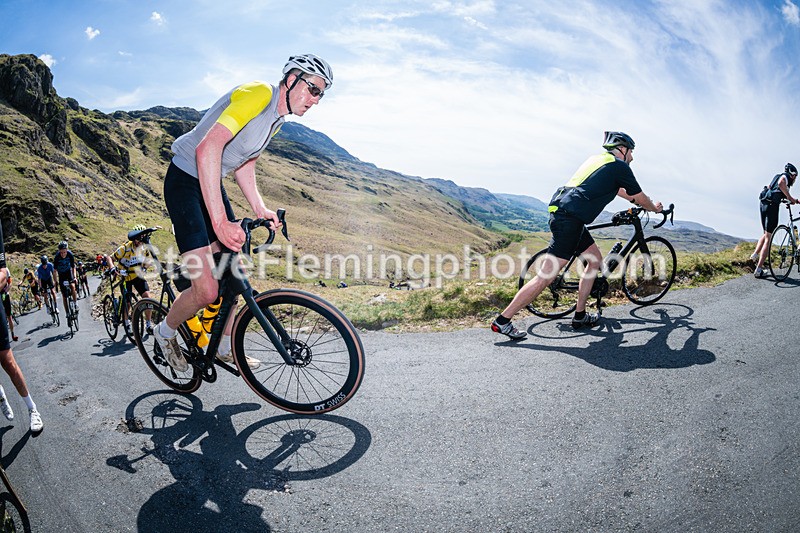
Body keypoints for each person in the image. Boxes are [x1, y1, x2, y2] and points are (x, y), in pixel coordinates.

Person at [154, 54, 334, 372]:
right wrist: (221, 222)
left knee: (236, 275)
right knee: (207, 290)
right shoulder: (259, 93)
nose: (315, 100)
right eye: (313, 89)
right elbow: (207, 148)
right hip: (184, 180)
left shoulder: (276, 120)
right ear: (291, 79)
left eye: (321, 94)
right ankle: (164, 332)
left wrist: (259, 207)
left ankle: (225, 347)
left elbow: (244, 162)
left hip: (209, 181)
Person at [491, 131, 663, 339]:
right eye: (632, 152)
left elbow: (622, 192)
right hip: (569, 221)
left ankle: (579, 315)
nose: (633, 157)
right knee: (544, 277)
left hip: (568, 216)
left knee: (594, 260)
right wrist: (654, 208)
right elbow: (638, 195)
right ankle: (503, 320)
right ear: (623, 150)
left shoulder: (599, 161)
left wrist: (639, 202)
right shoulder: (619, 166)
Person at [0, 221, 44, 433]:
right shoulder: (27, 276)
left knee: (8, 361)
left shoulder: (32, 275)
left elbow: (3, 272)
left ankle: (32, 409)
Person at [752, 163, 799, 278]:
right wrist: (790, 198)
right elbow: (781, 183)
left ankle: (754, 255)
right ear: (792, 175)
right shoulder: (785, 177)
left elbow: (773, 189)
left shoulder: (776, 176)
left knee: (765, 233)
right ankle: (758, 270)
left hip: (763, 204)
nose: (795, 179)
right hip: (772, 206)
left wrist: (788, 200)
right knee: (769, 237)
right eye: (795, 177)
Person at [105, 224, 154, 333]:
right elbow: (110, 258)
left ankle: (148, 324)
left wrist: (145, 268)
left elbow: (148, 260)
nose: (141, 241)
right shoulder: (125, 248)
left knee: (148, 298)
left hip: (137, 276)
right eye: (139, 238)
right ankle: (126, 322)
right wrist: (113, 268)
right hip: (125, 277)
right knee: (127, 302)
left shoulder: (144, 248)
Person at [52, 241, 78, 325]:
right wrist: (55, 282)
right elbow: (54, 271)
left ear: (67, 250)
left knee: (72, 286)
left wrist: (75, 277)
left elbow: (73, 267)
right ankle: (67, 312)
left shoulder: (70, 254)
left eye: (64, 252)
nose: (63, 254)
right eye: (61, 252)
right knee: (64, 295)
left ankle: (75, 304)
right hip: (61, 275)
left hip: (68, 272)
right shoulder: (57, 257)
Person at [0, 267, 17, 342]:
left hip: (5, 295)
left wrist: (5, 291)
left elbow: (9, 283)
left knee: (9, 317)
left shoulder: (6, 269)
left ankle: (13, 334)